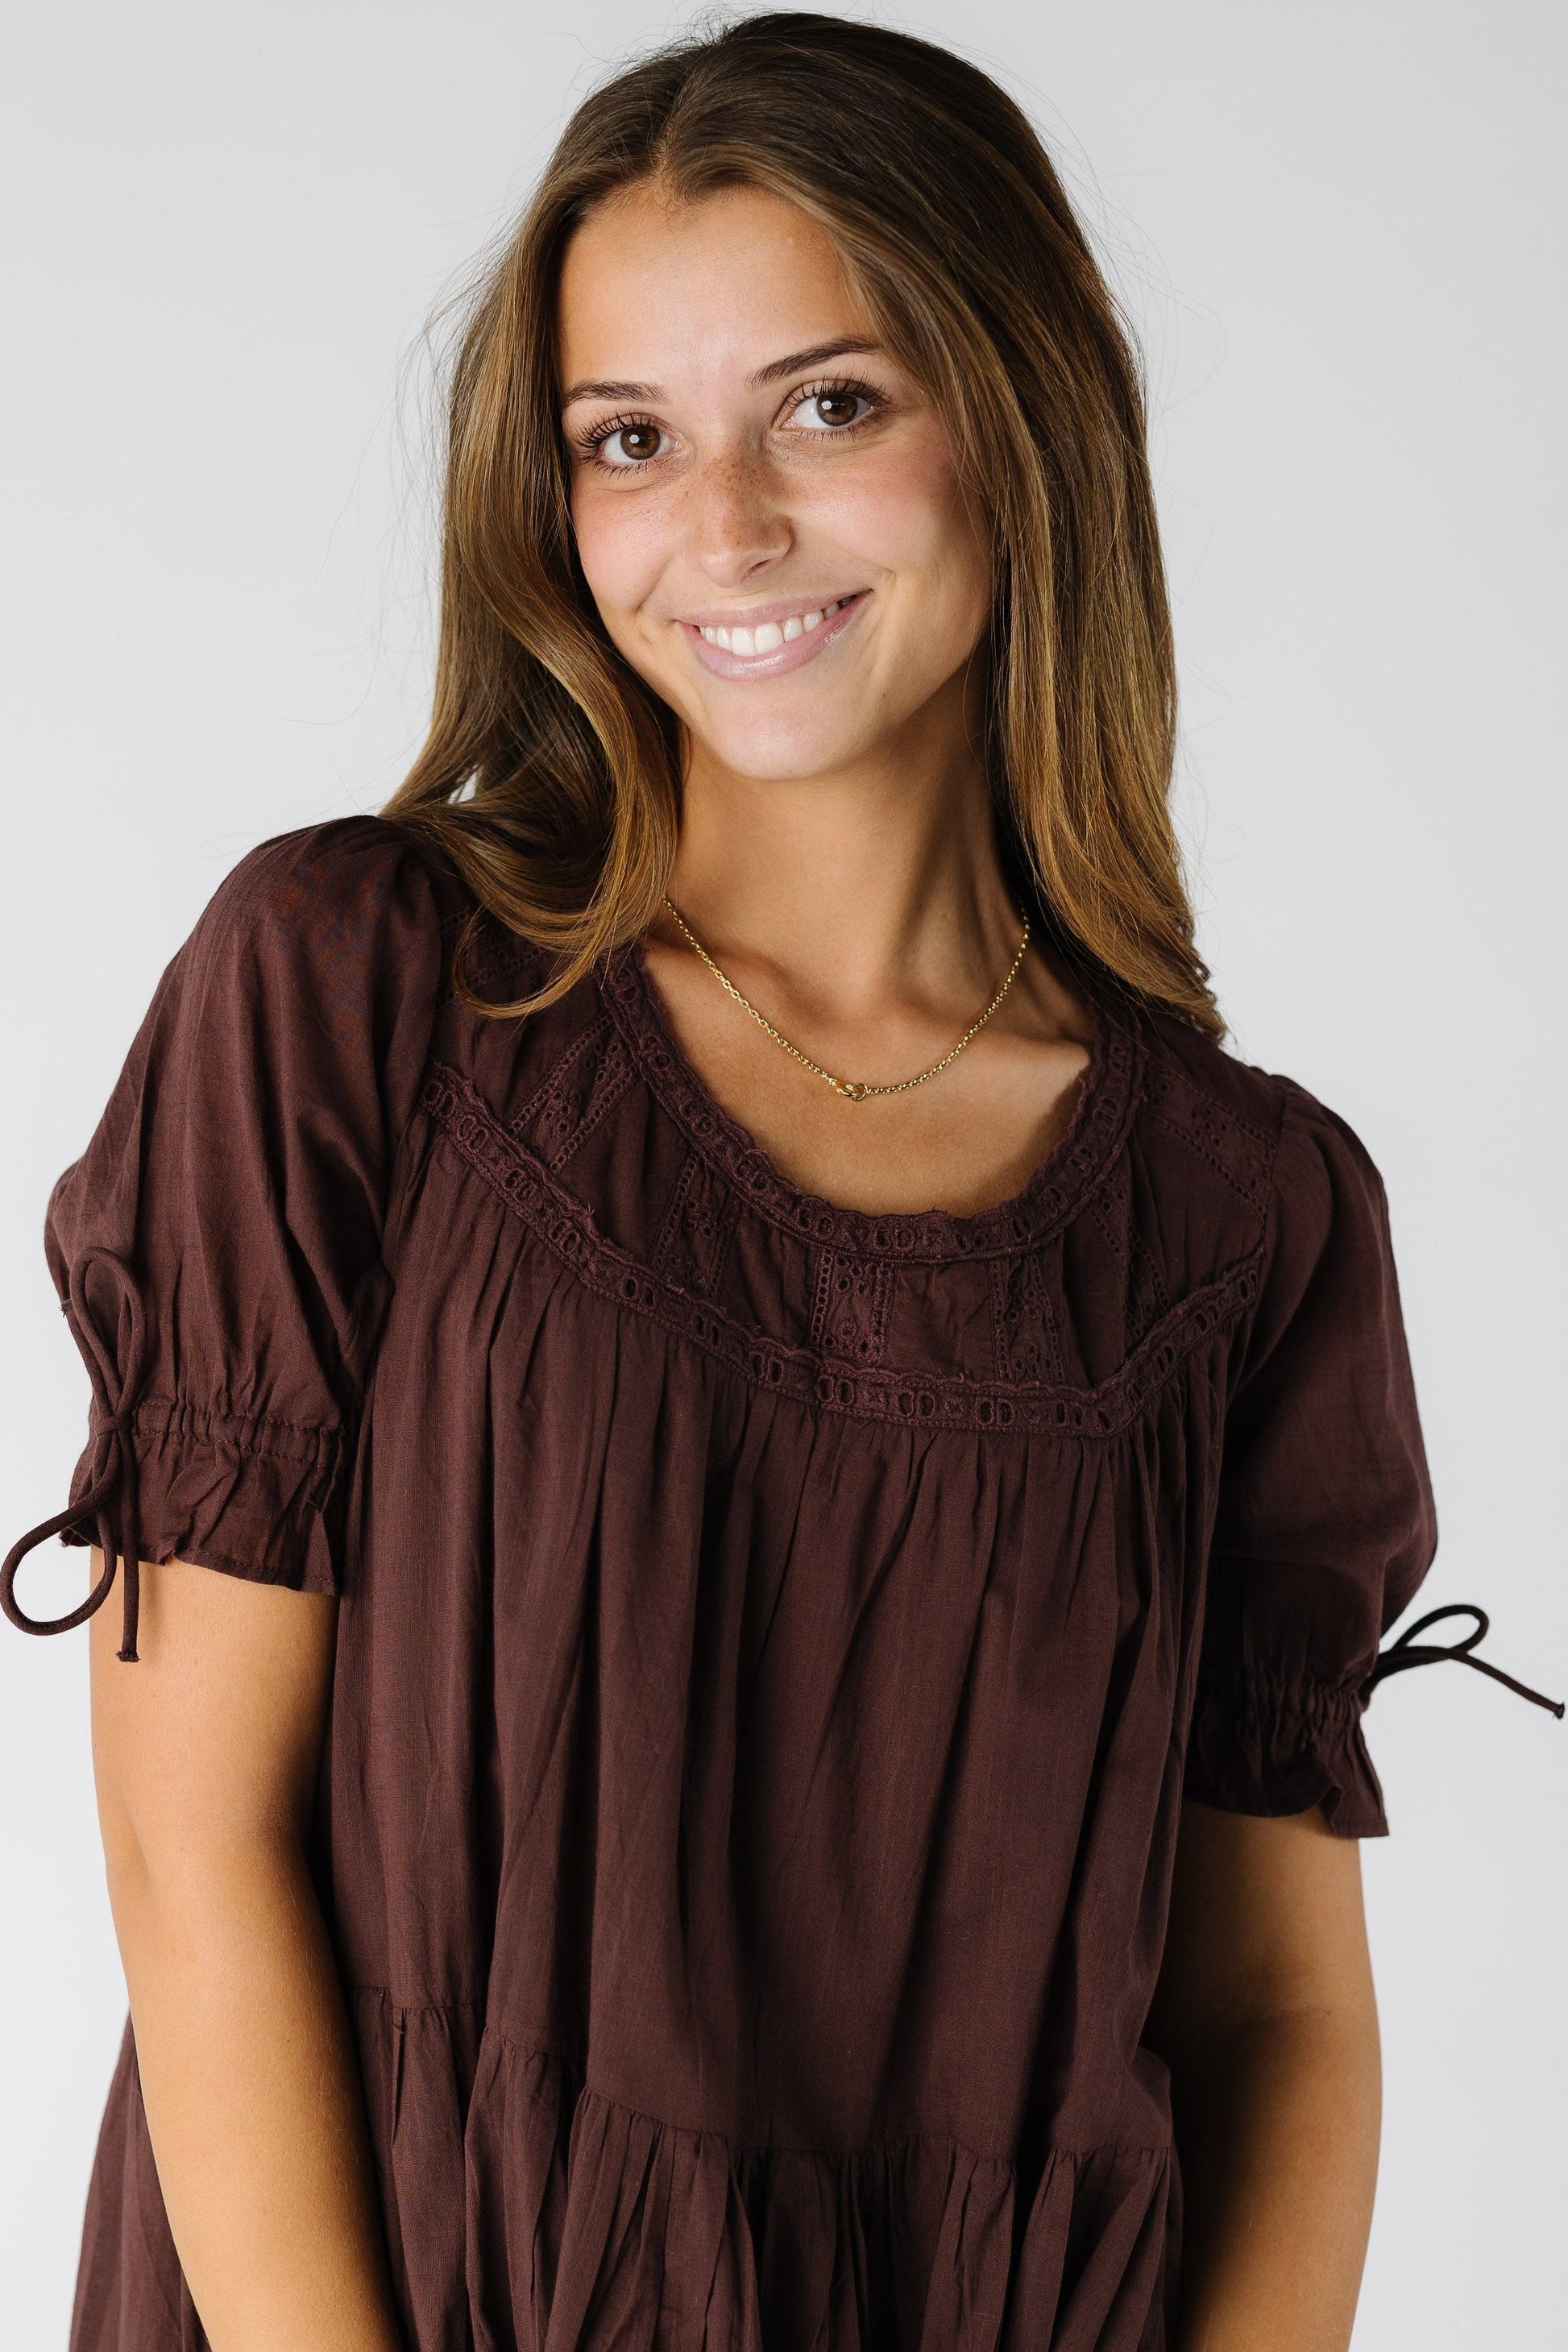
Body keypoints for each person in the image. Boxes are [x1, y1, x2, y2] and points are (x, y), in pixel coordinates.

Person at [4, 16, 1559, 2352]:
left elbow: (1273, 2025)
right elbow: (187, 1840)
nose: (719, 528)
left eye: (829, 405)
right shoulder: (357, 997)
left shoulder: (1249, 1220)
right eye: (626, 440)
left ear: (1024, 412)